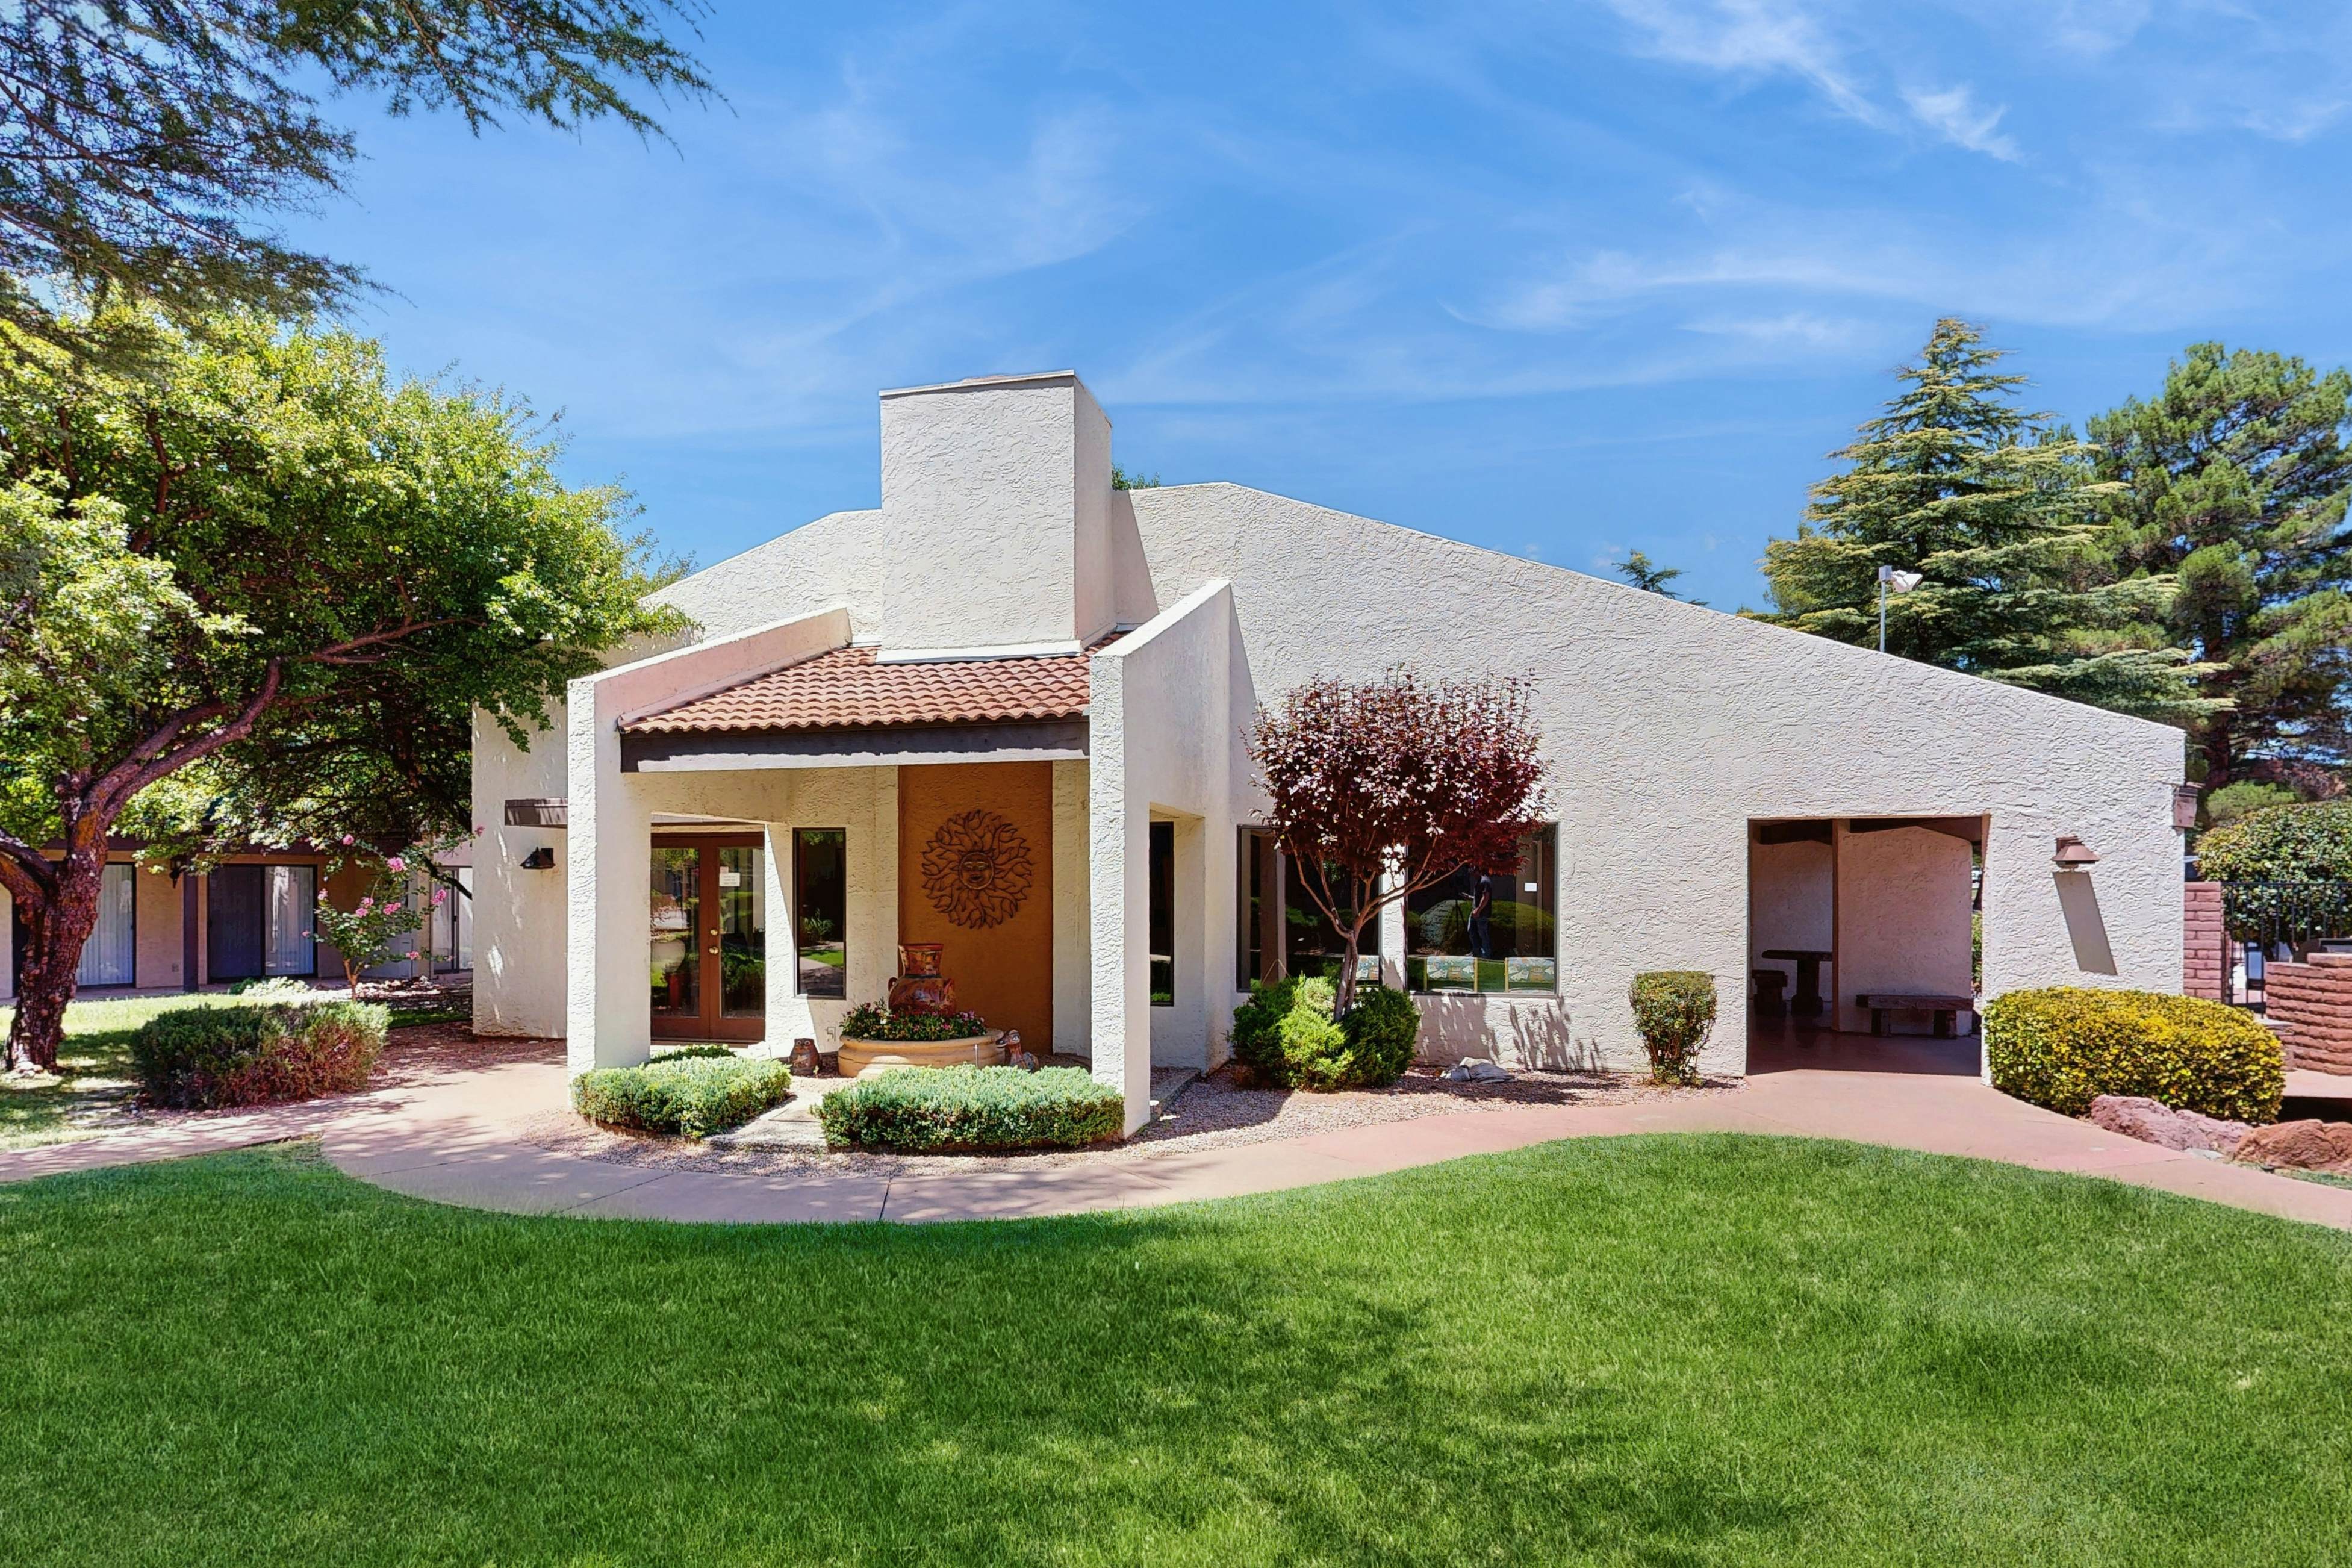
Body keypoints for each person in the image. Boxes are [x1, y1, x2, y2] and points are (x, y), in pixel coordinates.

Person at [1467, 871, 1494, 960]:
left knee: (1483, 934)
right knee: (1471, 931)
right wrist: (1470, 897)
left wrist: (1478, 910)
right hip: (1474, 912)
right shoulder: (1478, 881)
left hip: (1482, 914)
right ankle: (1476, 952)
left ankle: (1486, 955)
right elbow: (1479, 896)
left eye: (1472, 869)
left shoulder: (1485, 881)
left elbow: (1486, 897)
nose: (1470, 872)